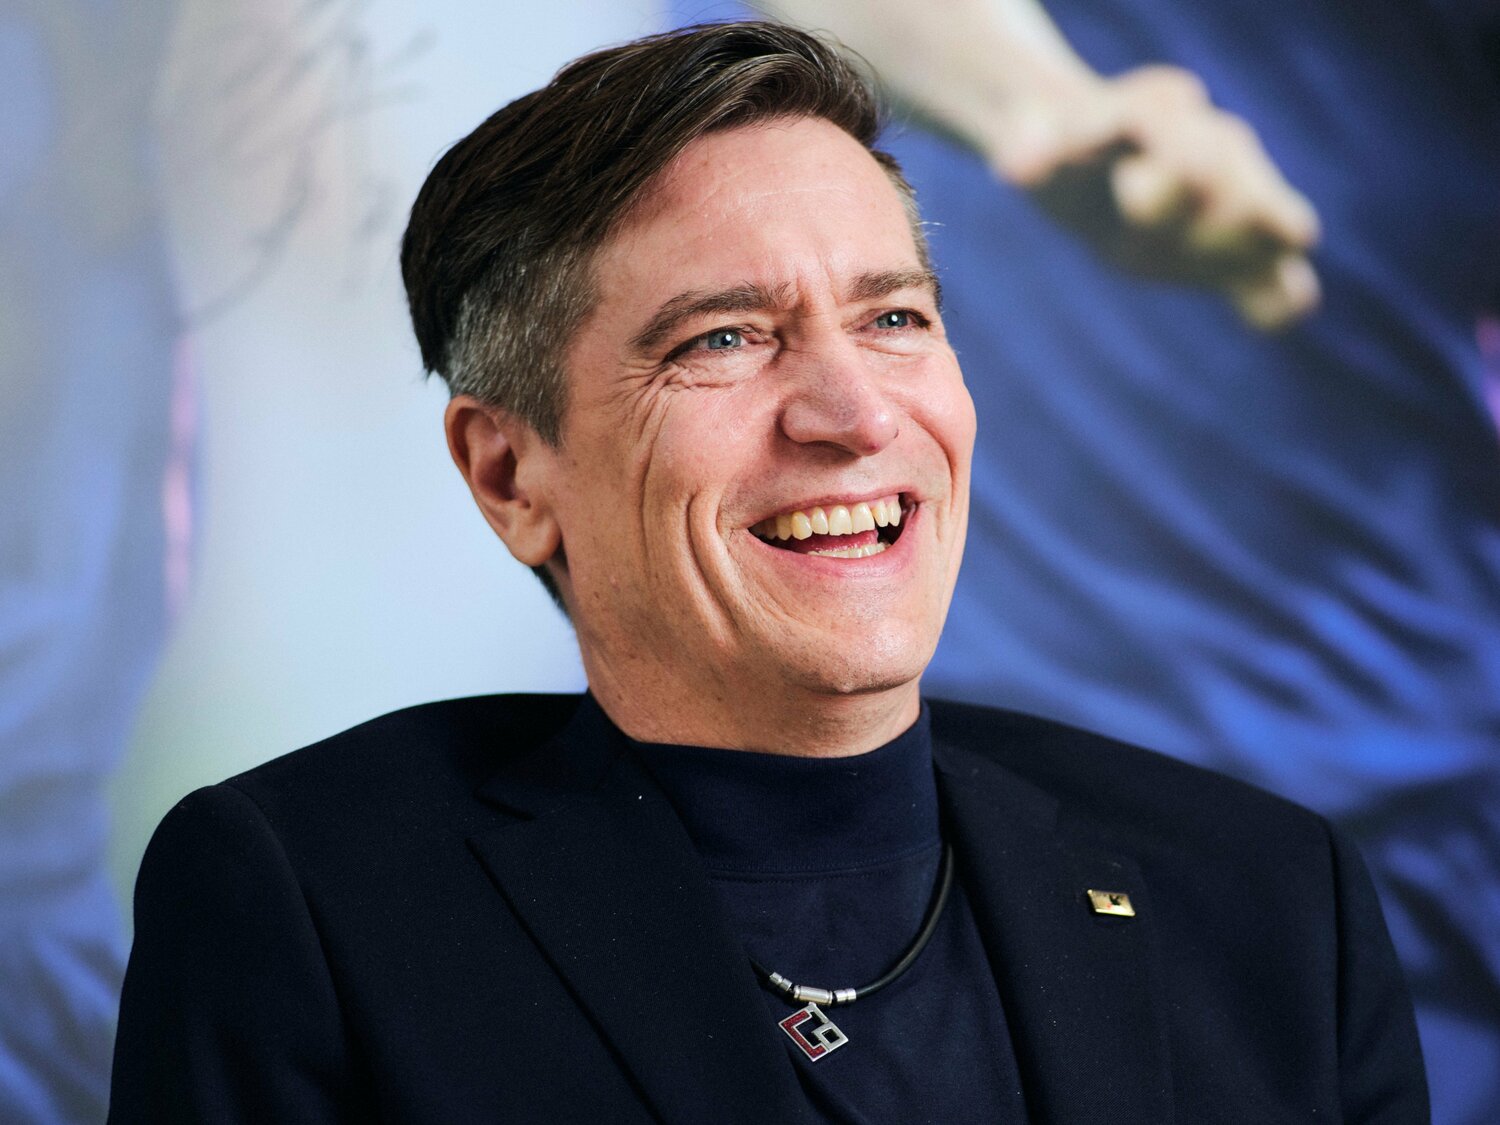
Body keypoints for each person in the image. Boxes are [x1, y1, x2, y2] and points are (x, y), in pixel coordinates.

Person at [108, 22, 1428, 1123]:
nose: (854, 413)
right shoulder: (316, 908)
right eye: (724, 338)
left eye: (894, 316)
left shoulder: (1268, 901)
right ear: (511, 476)